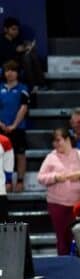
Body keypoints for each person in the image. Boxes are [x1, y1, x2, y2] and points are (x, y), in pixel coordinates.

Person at [38, 128, 80, 255]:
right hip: (57, 204)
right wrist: (55, 177)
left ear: (67, 140)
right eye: (54, 142)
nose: (56, 144)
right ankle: (64, 265)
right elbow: (41, 178)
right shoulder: (51, 157)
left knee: (78, 236)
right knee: (62, 238)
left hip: (79, 205)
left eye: (58, 140)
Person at [0, 60, 28, 191]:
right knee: (3, 155)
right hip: (1, 128)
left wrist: (14, 125)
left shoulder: (23, 88)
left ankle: (20, 181)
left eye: (12, 70)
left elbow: (23, 108)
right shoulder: (0, 88)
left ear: (17, 73)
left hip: (18, 127)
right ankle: (7, 181)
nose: (9, 73)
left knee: (20, 154)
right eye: (7, 70)